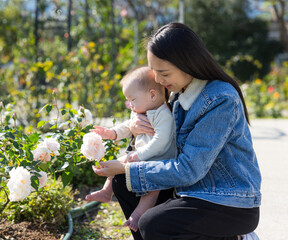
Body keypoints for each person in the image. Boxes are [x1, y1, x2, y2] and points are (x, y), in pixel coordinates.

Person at [92, 22, 261, 240]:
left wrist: (126, 167)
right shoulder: (177, 93)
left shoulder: (220, 100)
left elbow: (189, 169)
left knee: (154, 223)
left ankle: (235, 238)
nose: (158, 80)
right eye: (154, 71)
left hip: (229, 201)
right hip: (190, 190)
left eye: (164, 73)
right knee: (122, 185)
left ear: (187, 64)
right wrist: (134, 128)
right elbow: (156, 141)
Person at [86, 66, 177, 232]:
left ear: (152, 94)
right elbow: (128, 127)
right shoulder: (140, 111)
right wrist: (111, 133)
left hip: (158, 161)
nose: (130, 105)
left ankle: (138, 215)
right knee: (115, 164)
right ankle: (107, 191)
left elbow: (162, 141)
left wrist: (140, 154)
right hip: (140, 156)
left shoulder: (163, 114)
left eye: (132, 99)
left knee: (152, 190)